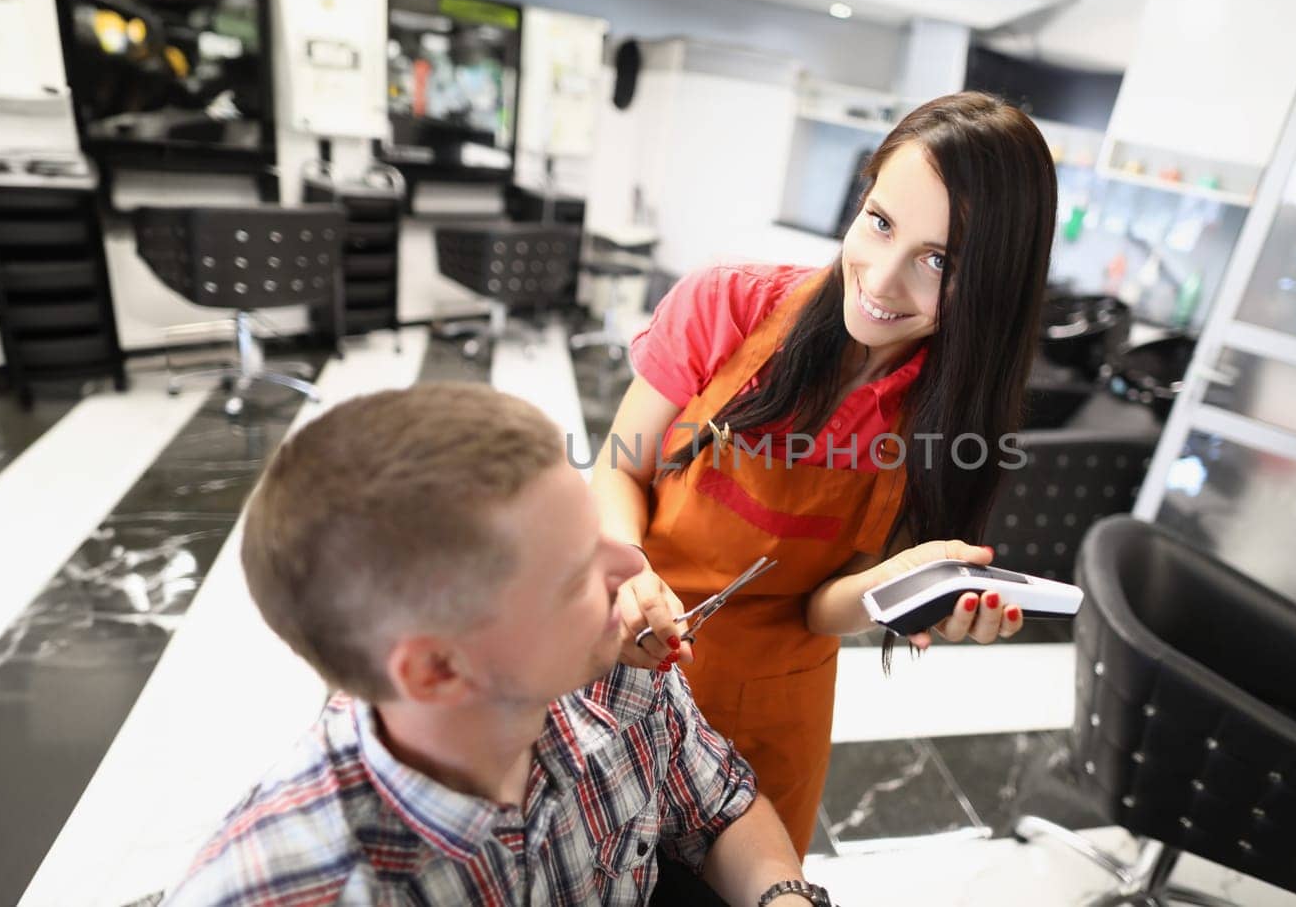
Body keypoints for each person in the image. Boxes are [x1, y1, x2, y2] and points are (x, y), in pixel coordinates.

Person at [590, 91, 1059, 854]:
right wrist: (631, 569)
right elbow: (616, 469)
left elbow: (822, 612)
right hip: (624, 639)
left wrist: (906, 589)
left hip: (769, 707)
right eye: (878, 223)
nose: (879, 279)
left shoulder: (951, 423)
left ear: (994, 283)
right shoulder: (728, 304)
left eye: (938, 260)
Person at [164, 383, 829, 907]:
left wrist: (783, 896)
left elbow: (719, 808)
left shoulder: (617, 666)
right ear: (438, 671)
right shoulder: (290, 887)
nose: (632, 569)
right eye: (573, 575)